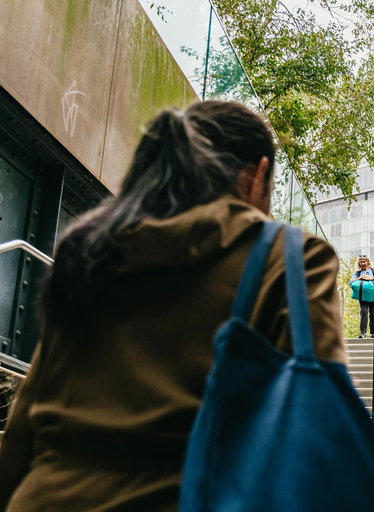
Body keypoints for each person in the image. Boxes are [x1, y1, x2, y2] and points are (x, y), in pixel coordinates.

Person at [0, 100, 345, 512]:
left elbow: (23, 428)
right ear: (259, 175)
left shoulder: (93, 250)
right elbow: (322, 424)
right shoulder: (290, 258)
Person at [349, 254, 374, 338]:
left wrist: (371, 278)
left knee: (373, 314)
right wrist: (361, 277)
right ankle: (363, 333)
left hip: (373, 296)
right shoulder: (357, 273)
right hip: (363, 296)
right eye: (360, 262)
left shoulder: (373, 271)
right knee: (364, 312)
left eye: (364, 262)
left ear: (368, 262)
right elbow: (351, 282)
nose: (362, 264)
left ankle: (372, 333)